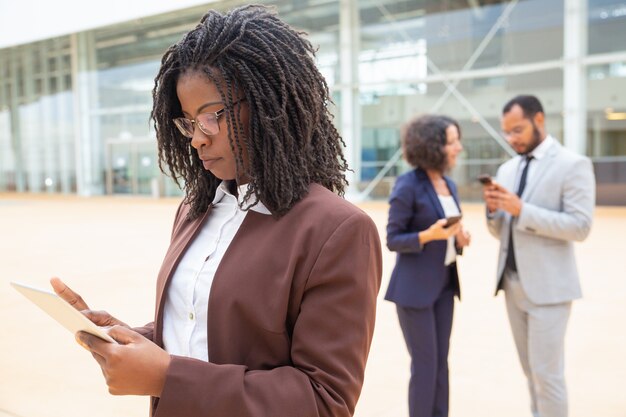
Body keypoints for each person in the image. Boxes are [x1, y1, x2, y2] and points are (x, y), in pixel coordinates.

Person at [50, 5, 382, 417]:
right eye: (188, 123)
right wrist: (127, 339)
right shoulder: (196, 208)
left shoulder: (337, 230)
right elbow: (207, 331)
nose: (197, 140)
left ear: (268, 104)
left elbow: (324, 401)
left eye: (211, 117)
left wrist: (167, 377)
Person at [482, 95, 595, 417]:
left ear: (539, 120)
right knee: (531, 374)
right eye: (507, 132)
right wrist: (494, 212)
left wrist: (522, 210)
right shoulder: (508, 168)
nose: (511, 138)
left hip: (549, 289)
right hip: (512, 285)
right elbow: (500, 232)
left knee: (548, 377)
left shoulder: (573, 165)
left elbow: (581, 227)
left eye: (517, 130)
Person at [384, 114, 471, 417]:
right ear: (433, 145)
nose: (459, 147)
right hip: (414, 291)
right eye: (452, 141)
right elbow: (394, 238)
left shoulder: (449, 184)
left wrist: (459, 239)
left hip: (444, 286)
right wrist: (429, 235)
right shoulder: (407, 185)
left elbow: (448, 235)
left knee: (441, 364)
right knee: (424, 366)